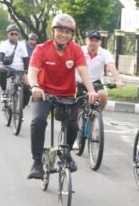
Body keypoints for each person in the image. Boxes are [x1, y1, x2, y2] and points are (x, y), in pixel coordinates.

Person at [27, 13, 98, 179]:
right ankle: (37, 161)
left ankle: (66, 153)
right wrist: (35, 86)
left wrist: (91, 90)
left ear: (72, 34)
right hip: (44, 93)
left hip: (66, 94)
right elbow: (33, 71)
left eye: (68, 32)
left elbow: (83, 70)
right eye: (60, 30)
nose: (64, 35)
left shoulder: (75, 50)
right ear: (53, 31)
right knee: (38, 121)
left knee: (73, 126)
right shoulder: (41, 49)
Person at [76, 30, 123, 110]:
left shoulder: (104, 53)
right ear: (86, 41)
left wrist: (118, 80)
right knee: (76, 110)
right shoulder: (79, 51)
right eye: (91, 40)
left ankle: (96, 115)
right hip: (79, 82)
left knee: (103, 95)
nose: (93, 43)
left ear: (100, 42)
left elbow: (111, 66)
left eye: (96, 41)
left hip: (95, 81)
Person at [0, 24, 30, 105]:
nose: (14, 36)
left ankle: (19, 112)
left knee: (26, 88)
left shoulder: (22, 44)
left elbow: (26, 59)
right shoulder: (4, 44)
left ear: (18, 35)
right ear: (7, 34)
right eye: (12, 34)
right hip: (8, 68)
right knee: (2, 71)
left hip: (20, 69)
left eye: (16, 34)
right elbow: (1, 54)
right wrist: (0, 63)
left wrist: (26, 73)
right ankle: (4, 92)